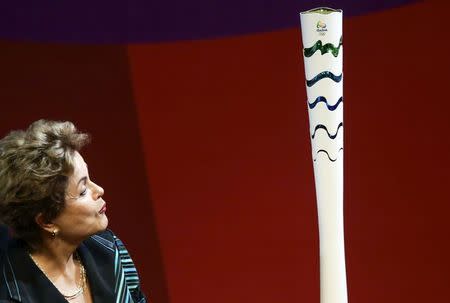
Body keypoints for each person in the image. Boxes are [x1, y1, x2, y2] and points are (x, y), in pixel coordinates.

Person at [0, 120, 147, 303]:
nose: (99, 190)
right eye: (83, 190)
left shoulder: (110, 249)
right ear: (47, 221)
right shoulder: (10, 293)